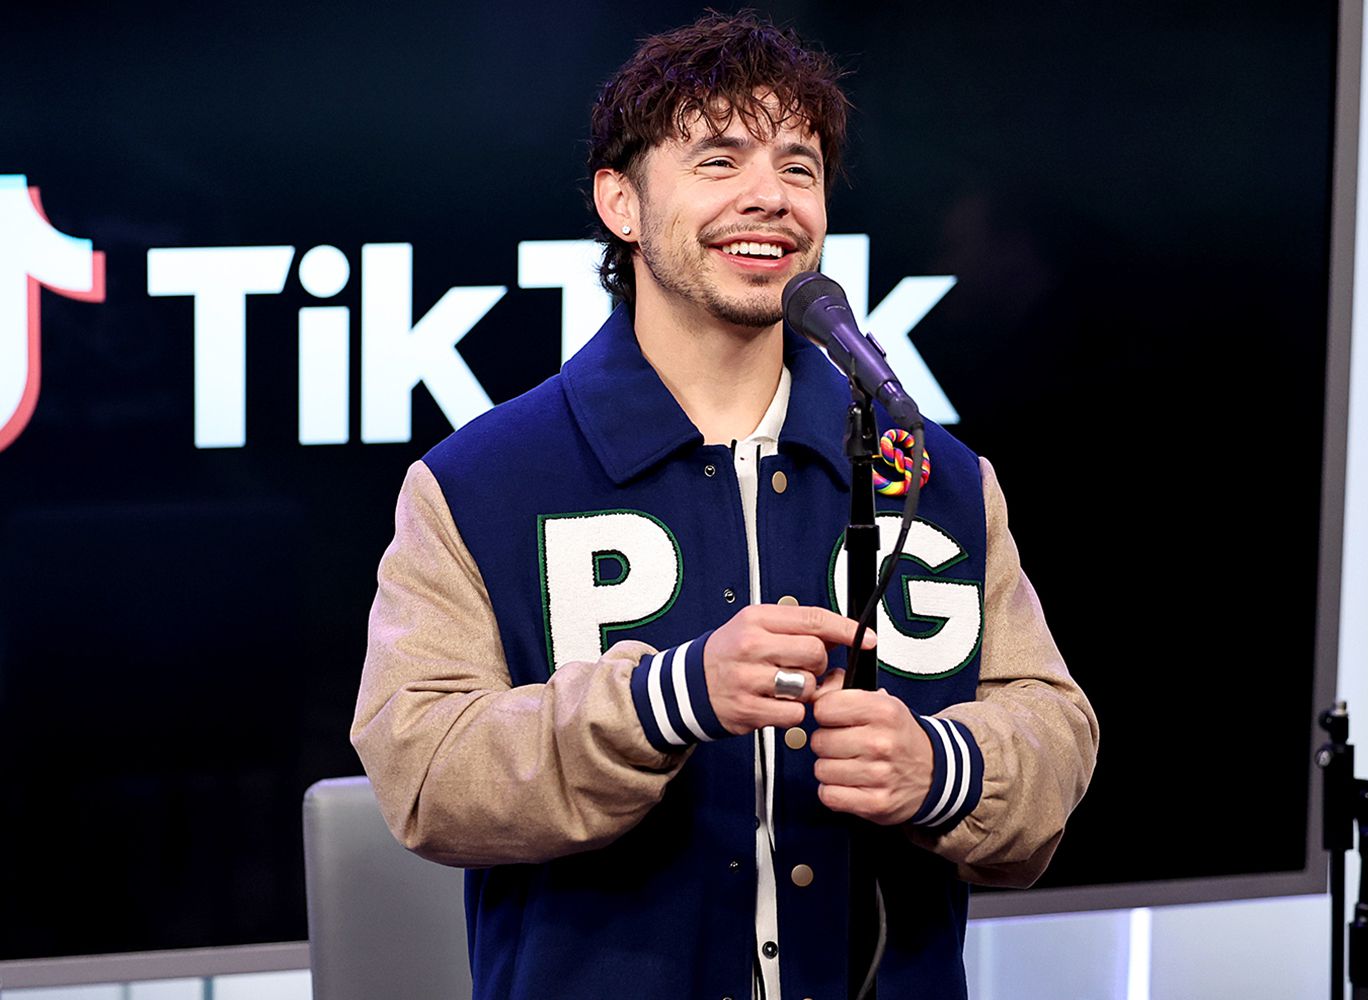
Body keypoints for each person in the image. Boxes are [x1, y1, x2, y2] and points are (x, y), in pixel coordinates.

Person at [352, 11, 1098, 1000]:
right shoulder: (477, 484)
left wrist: (941, 766)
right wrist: (669, 697)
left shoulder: (939, 477)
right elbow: (422, 768)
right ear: (620, 202)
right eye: (718, 159)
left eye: (799, 166)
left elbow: (1054, 723)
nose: (771, 197)